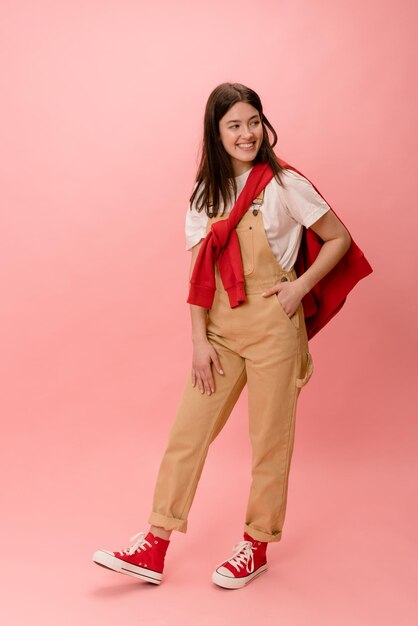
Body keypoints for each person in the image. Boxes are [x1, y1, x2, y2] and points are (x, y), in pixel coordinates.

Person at [92, 82, 371, 589]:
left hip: (272, 328)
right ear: (216, 133)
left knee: (269, 442)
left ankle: (256, 545)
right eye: (234, 125)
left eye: (253, 121)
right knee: (187, 435)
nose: (247, 134)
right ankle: (154, 544)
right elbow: (200, 275)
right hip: (219, 329)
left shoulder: (286, 184)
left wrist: (299, 288)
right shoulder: (206, 192)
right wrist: (198, 340)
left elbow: (339, 239)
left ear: (265, 124)